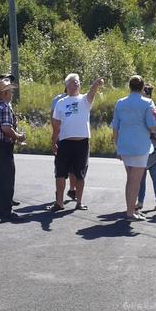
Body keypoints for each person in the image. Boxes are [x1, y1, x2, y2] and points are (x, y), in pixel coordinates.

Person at [47, 74, 104, 211]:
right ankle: (59, 203)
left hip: (82, 142)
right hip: (65, 142)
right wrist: (54, 141)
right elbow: (56, 125)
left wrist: (96, 83)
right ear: (67, 86)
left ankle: (79, 202)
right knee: (60, 173)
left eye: (78, 82)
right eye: (73, 82)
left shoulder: (84, 100)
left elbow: (91, 92)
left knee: (80, 173)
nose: (76, 84)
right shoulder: (61, 103)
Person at [111, 75, 156, 221]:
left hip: (124, 144)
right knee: (134, 181)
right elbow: (151, 127)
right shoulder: (148, 102)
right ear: (143, 87)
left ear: (129, 86)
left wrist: (117, 146)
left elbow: (115, 127)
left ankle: (130, 210)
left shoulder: (120, 102)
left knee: (130, 179)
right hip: (140, 145)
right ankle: (130, 212)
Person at [0, 78, 27, 221]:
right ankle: (6, 212)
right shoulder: (4, 107)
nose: (12, 93)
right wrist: (18, 137)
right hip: (1, 145)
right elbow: (6, 128)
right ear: (3, 94)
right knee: (7, 179)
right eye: (10, 91)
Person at [137, 92, 156, 212]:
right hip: (144, 148)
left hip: (154, 149)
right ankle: (140, 202)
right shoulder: (152, 114)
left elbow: (154, 129)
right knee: (142, 178)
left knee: (155, 177)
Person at [50, 86, 78, 201]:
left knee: (70, 166)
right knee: (62, 167)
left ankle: (71, 190)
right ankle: (61, 193)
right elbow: (54, 119)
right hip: (63, 137)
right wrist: (54, 137)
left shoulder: (77, 100)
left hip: (70, 137)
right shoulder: (58, 100)